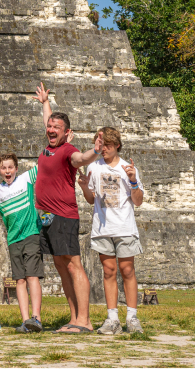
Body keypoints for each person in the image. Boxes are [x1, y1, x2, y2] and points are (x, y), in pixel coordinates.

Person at [33, 83, 102, 334]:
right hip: (47, 217)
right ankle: (74, 319)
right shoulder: (50, 146)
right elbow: (49, 122)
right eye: (49, 127)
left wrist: (95, 151)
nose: (51, 130)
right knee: (62, 268)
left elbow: (81, 159)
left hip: (63, 217)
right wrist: (44, 103)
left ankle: (84, 320)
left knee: (73, 265)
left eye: (56, 128)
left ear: (67, 132)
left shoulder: (68, 150)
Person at [76, 126, 145, 335]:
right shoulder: (94, 168)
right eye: (100, 145)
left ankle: (132, 317)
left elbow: (138, 201)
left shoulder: (127, 168)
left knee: (127, 271)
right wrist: (84, 187)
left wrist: (133, 181)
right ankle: (112, 318)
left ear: (117, 146)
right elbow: (91, 200)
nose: (103, 149)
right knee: (108, 272)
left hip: (124, 227)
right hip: (103, 228)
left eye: (107, 145)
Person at [0, 153, 44, 333]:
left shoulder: (26, 178)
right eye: (3, 168)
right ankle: (25, 320)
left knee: (32, 276)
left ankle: (36, 318)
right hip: (13, 239)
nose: (7, 171)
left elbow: (45, 162)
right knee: (20, 280)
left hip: (31, 235)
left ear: (16, 168)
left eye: (10, 167)